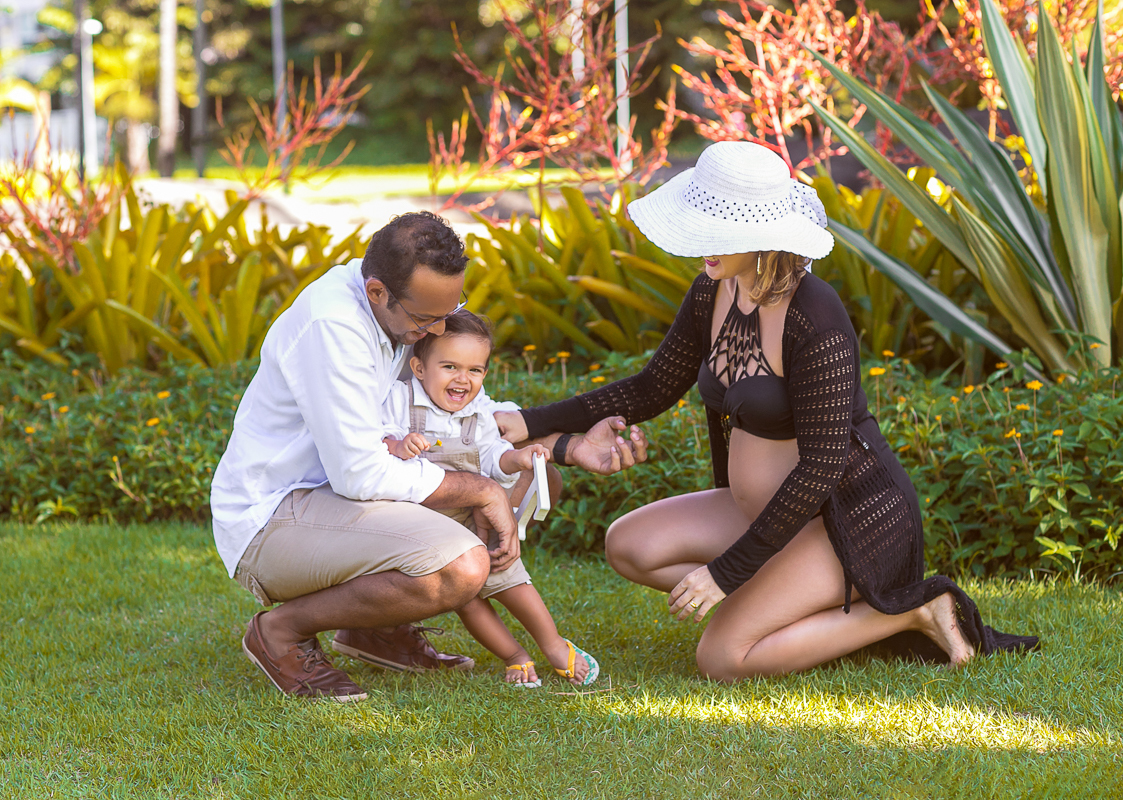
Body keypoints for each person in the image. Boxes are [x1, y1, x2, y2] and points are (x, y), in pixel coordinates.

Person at [496, 142, 1038, 680]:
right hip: (757, 513)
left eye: (717, 230)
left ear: (759, 235)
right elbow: (653, 387)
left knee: (723, 658)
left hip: (841, 523)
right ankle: (784, 597)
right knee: (629, 546)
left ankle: (914, 609)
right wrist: (531, 421)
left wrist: (727, 574)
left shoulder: (814, 316)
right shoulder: (716, 288)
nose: (703, 244)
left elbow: (823, 464)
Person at [211, 211, 642, 701]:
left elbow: (460, 412)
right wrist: (478, 490)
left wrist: (566, 444)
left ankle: (375, 628)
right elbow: (360, 474)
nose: (438, 327)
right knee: (460, 565)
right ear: (377, 293)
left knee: (535, 482)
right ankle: (281, 632)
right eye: (425, 319)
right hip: (274, 517)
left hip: (339, 502)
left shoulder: (398, 303)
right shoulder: (334, 327)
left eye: (451, 308)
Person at [381, 310, 600, 688]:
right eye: (449, 366)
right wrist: (399, 444)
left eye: (475, 370)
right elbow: (375, 440)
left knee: (509, 576)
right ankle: (514, 655)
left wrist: (519, 457)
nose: (462, 379)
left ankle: (552, 644)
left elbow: (492, 458)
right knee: (465, 595)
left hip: (471, 516)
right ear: (419, 367)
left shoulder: (479, 412)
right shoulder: (400, 400)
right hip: (424, 523)